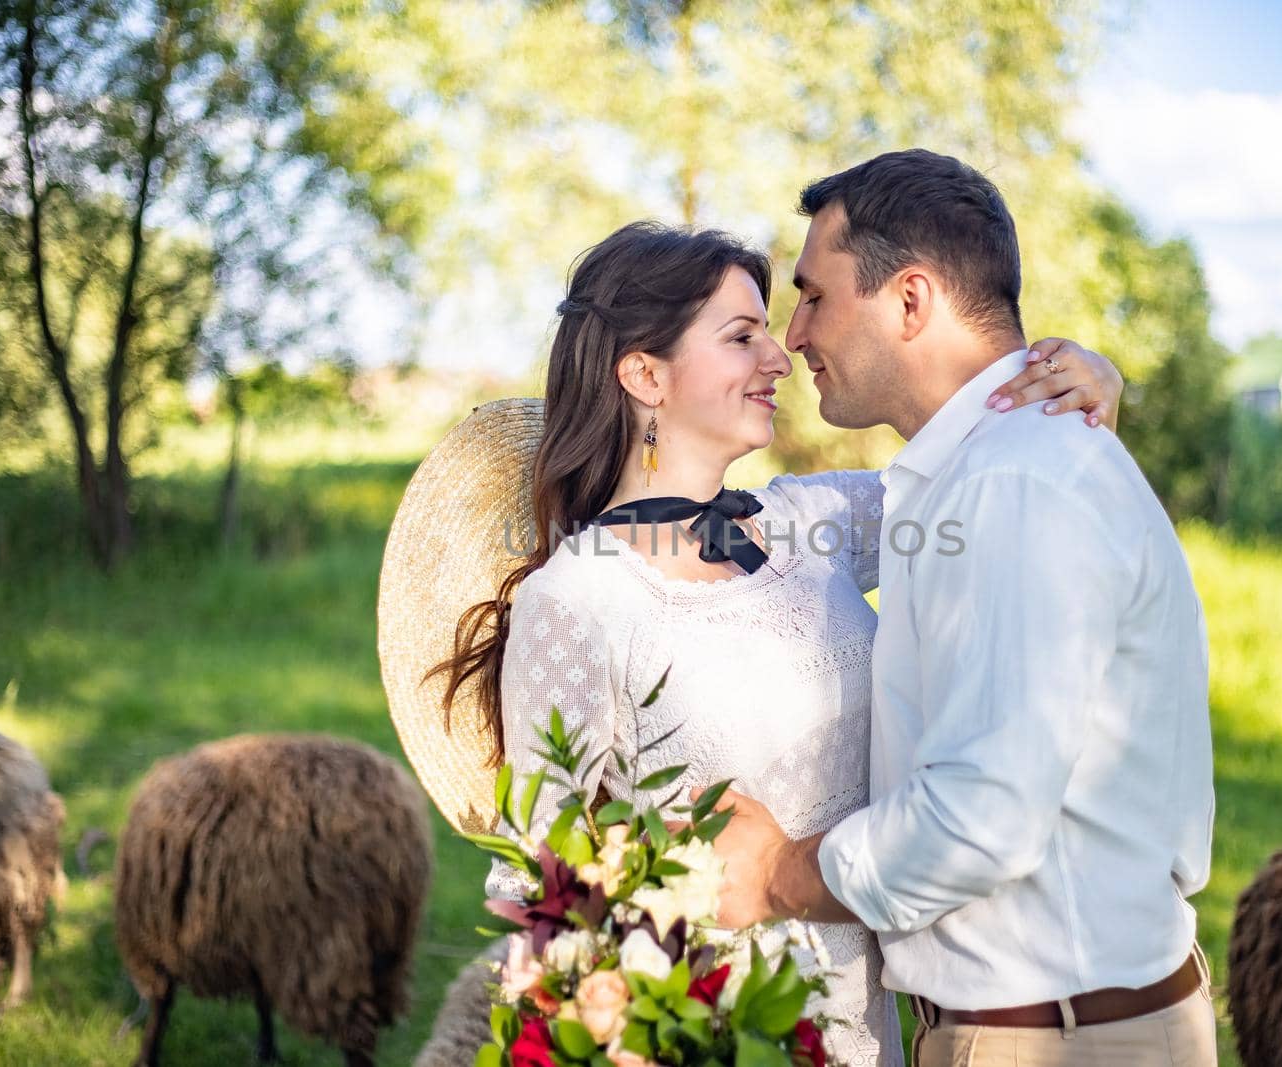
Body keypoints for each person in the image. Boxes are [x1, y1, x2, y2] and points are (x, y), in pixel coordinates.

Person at [429, 218, 1125, 1066]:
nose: (780, 357)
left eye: (769, 329)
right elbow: (547, 888)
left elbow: (988, 481)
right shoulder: (575, 599)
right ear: (645, 373)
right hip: (709, 1033)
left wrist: (1080, 382)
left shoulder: (810, 521)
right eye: (741, 336)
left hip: (873, 1024)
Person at [705, 149, 1218, 1067]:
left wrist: (777, 873)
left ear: (910, 301)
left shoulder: (1015, 481)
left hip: (1060, 1039)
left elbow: (982, 813)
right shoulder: (993, 467)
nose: (794, 334)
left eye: (815, 295)